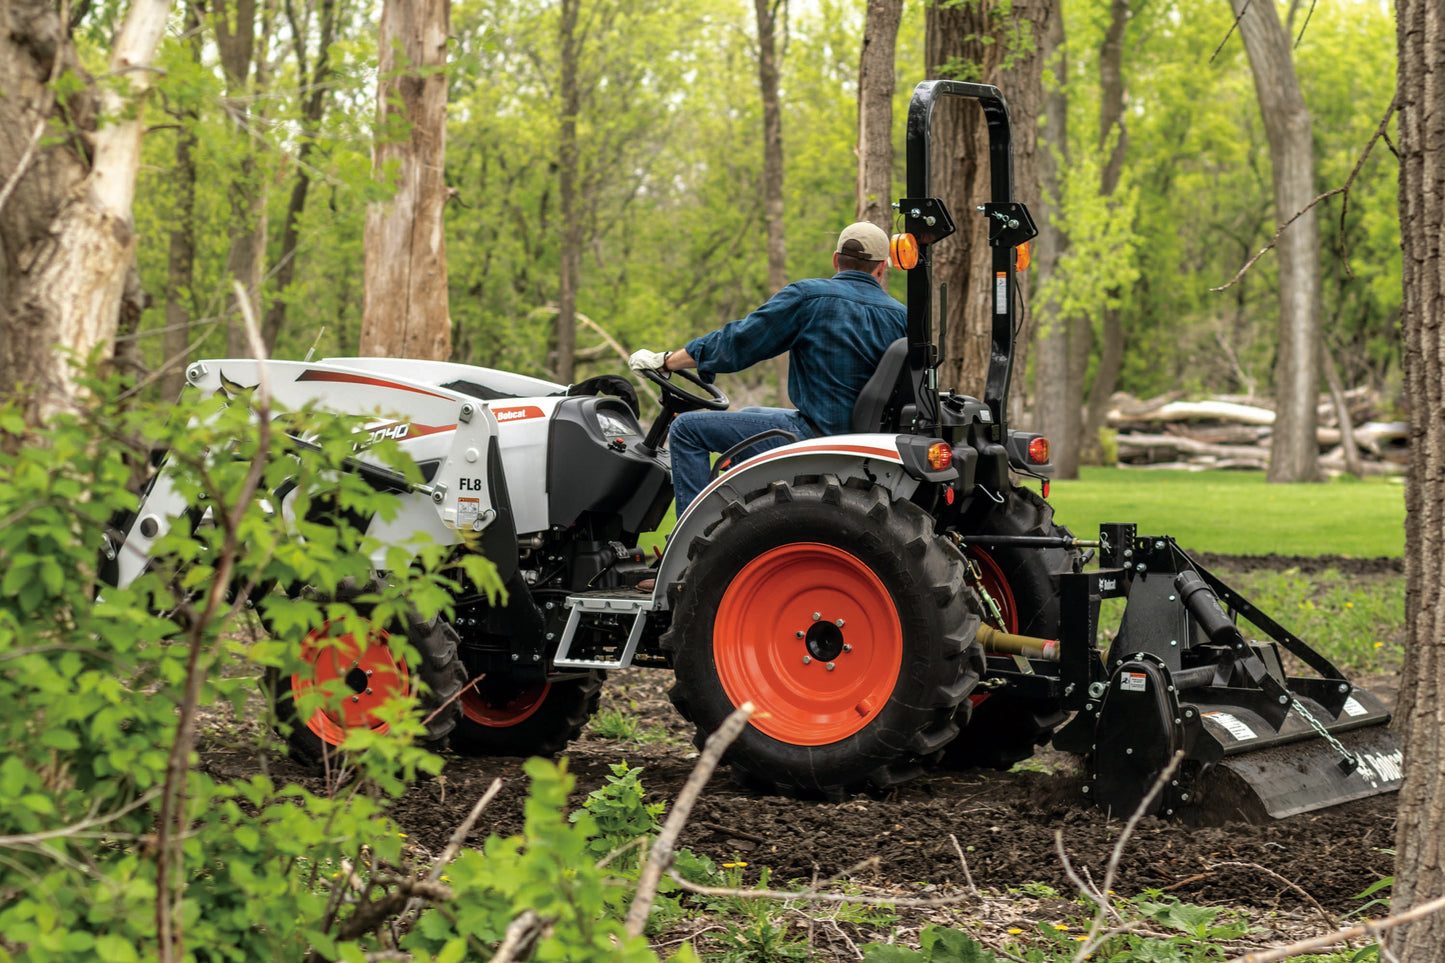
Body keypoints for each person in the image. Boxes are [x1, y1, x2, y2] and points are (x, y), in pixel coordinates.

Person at [629, 221, 906, 516]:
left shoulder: (809, 298)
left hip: (816, 439)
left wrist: (668, 361)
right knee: (751, 416)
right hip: (864, 444)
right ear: (882, 268)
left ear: (836, 260)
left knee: (686, 429)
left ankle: (695, 543)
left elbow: (739, 342)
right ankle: (747, 519)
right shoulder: (902, 317)